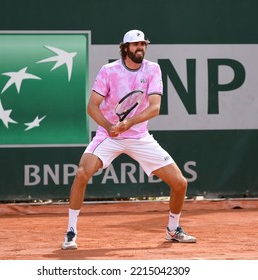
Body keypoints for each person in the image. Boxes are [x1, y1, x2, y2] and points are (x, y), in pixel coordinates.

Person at [62, 29, 197, 250]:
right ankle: (70, 232)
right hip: (108, 135)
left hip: (139, 136)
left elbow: (155, 108)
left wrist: (128, 123)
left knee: (180, 183)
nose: (140, 48)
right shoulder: (109, 71)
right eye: (135, 45)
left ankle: (173, 229)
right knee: (82, 173)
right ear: (125, 48)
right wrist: (109, 126)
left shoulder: (153, 69)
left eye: (143, 44)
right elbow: (92, 106)